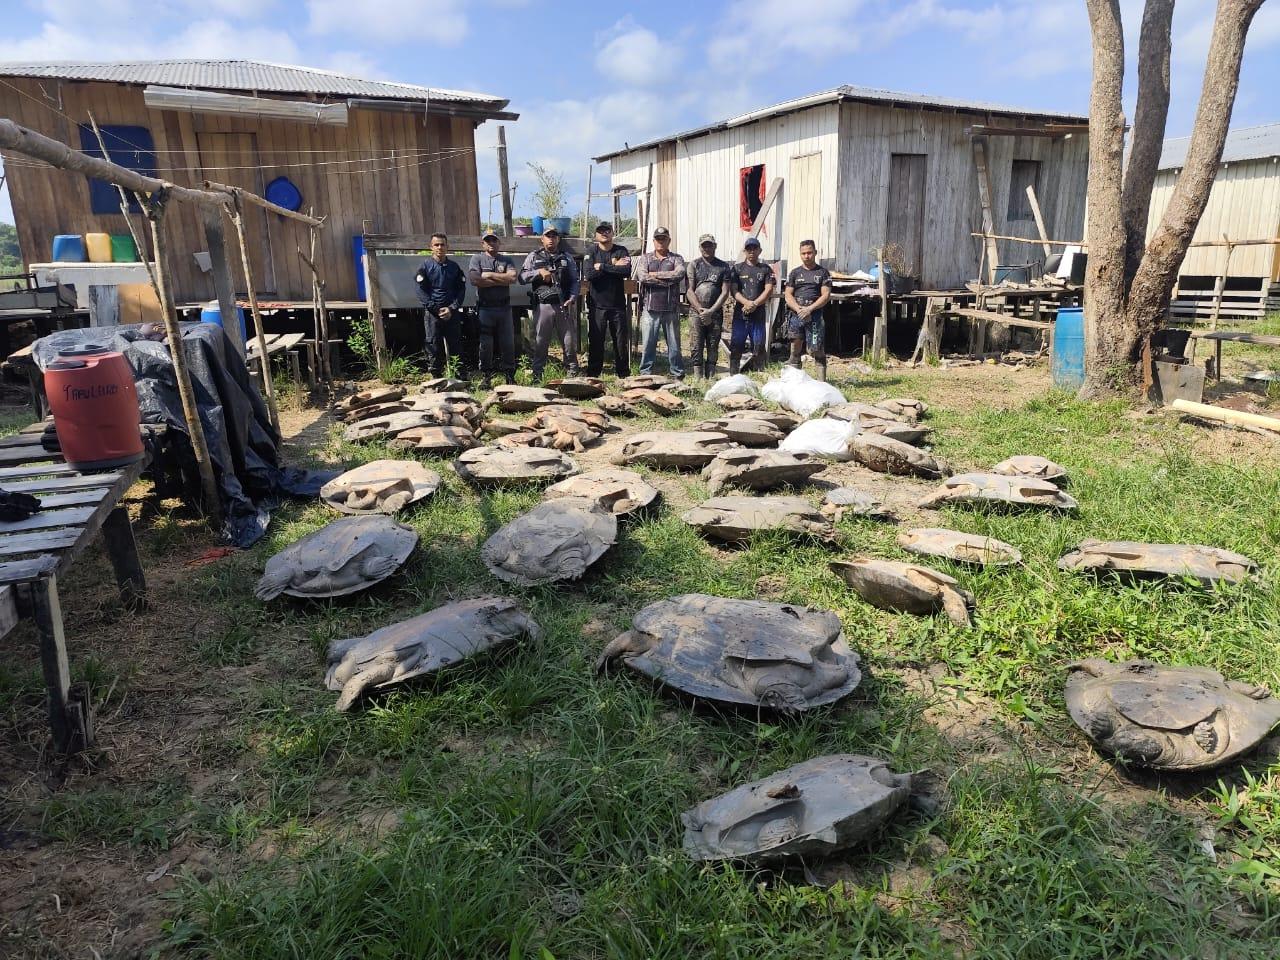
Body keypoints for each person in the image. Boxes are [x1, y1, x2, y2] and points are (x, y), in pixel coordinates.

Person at [519, 226, 581, 382]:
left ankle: (573, 374)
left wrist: (573, 297)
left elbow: (575, 280)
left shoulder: (566, 257)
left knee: (569, 342)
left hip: (564, 304)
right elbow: (522, 277)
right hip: (543, 306)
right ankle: (537, 375)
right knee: (540, 342)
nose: (551, 239)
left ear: (558, 239)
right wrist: (538, 273)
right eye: (548, 236)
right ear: (542, 239)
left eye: (554, 236)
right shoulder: (534, 256)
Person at [467, 230, 518, 388]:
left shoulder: (506, 259)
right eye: (487, 240)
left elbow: (512, 278)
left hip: (504, 308)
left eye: (494, 240)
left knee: (508, 343)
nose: (491, 243)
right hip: (485, 309)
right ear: (483, 244)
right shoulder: (477, 259)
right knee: (485, 345)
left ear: (498, 243)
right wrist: (501, 279)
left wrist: (488, 275)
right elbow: (475, 280)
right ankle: (486, 376)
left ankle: (509, 376)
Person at [632, 226, 686, 379]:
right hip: (650, 308)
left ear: (669, 240)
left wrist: (655, 275)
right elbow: (643, 277)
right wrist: (667, 281)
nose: (661, 242)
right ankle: (645, 373)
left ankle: (677, 373)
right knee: (648, 344)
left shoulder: (676, 258)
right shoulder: (645, 258)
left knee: (674, 345)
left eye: (664, 239)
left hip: (671, 308)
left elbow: (679, 274)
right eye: (658, 239)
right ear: (654, 241)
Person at [582, 221, 632, 378]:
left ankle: (623, 375)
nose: (604, 233)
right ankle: (593, 375)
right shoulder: (591, 251)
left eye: (607, 230)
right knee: (596, 341)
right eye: (601, 231)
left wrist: (602, 266)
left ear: (612, 233)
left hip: (617, 305)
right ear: (596, 235)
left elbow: (626, 271)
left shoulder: (621, 250)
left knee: (620, 342)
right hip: (597, 305)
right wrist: (612, 264)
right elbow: (589, 274)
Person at [415, 233, 468, 377]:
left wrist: (452, 308)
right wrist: (435, 308)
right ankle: (436, 377)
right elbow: (420, 291)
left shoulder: (454, 267)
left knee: (456, 344)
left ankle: (460, 377)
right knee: (433, 345)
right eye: (436, 245)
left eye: (442, 244)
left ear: (447, 247)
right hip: (433, 314)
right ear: (431, 247)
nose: (440, 247)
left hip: (452, 313)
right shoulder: (425, 266)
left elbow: (461, 290)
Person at [783, 239, 833, 380]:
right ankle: (795, 380)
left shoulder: (823, 273)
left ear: (815, 253)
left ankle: (821, 383)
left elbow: (826, 295)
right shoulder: (794, 273)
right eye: (803, 253)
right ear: (800, 254)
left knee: (816, 349)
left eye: (809, 253)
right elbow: (788, 295)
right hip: (796, 315)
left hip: (815, 315)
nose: (806, 256)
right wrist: (799, 309)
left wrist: (809, 309)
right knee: (795, 349)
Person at [685, 234, 733, 380]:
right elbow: (689, 290)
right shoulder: (694, 265)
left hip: (715, 312)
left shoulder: (723, 266)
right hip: (696, 312)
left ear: (715, 246)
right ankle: (698, 377)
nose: (706, 248)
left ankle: (711, 375)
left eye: (709, 245)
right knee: (696, 344)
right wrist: (700, 309)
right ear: (700, 247)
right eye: (704, 245)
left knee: (713, 343)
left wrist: (711, 311)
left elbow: (725, 292)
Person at [730, 236, 775, 374]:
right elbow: (734, 290)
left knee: (759, 346)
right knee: (736, 345)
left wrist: (755, 304)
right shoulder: (737, 269)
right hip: (741, 314)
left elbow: (769, 289)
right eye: (748, 249)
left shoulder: (765, 269)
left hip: (758, 315)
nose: (751, 251)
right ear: (744, 251)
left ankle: (759, 374)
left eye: (754, 248)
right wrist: (746, 303)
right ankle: (733, 375)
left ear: (760, 250)